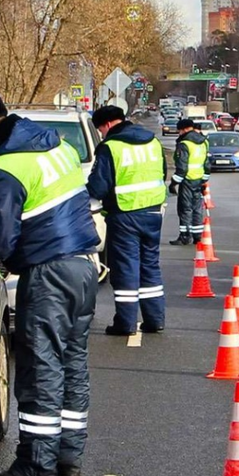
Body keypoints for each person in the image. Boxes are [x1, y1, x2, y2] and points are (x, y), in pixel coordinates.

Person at [0, 90, 100, 476]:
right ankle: (68, 455)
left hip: (47, 272)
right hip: (83, 267)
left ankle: (36, 463)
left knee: (39, 368)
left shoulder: (4, 169)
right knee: (71, 363)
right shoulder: (56, 146)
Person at [86, 105, 166, 336]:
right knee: (150, 266)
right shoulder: (152, 142)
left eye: (100, 129)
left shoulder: (111, 147)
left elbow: (98, 187)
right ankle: (155, 319)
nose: (101, 134)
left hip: (124, 215)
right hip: (153, 213)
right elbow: (162, 174)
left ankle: (126, 323)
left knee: (125, 269)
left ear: (108, 124)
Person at [167, 118, 208, 245]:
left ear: (184, 129)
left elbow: (182, 168)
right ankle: (197, 236)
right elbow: (207, 164)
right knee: (197, 209)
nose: (179, 133)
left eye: (179, 130)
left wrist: (173, 183)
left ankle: (184, 236)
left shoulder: (184, 144)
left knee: (185, 209)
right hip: (198, 180)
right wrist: (204, 181)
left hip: (187, 181)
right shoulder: (203, 142)